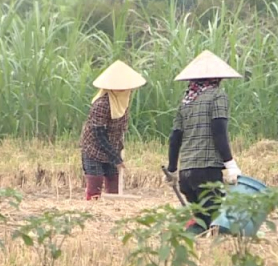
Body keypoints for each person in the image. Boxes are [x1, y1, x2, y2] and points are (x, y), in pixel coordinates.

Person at [164, 50, 243, 234]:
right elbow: (219, 132)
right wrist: (230, 165)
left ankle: (188, 239)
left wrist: (172, 169)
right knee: (213, 224)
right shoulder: (217, 96)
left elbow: (175, 137)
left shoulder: (185, 102)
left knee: (200, 219)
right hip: (207, 172)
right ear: (217, 78)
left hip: (187, 174)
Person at [79, 60, 146, 200]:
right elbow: (99, 134)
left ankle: (114, 210)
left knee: (114, 184)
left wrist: (118, 150)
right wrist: (114, 157)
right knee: (95, 184)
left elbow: (121, 129)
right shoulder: (102, 104)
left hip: (112, 148)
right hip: (94, 149)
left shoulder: (123, 103)